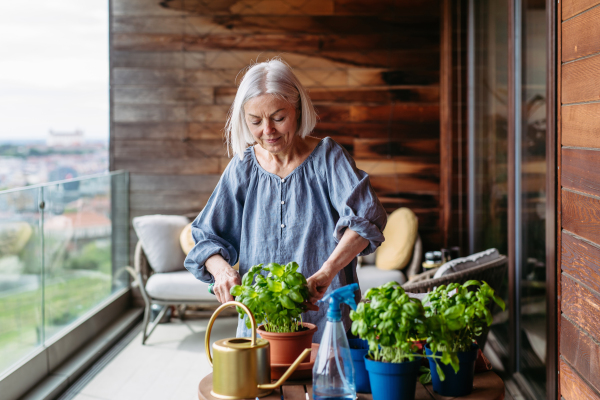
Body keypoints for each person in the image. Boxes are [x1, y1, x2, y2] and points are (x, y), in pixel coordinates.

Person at [184, 59, 387, 342]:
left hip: (326, 317)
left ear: (298, 110)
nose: (268, 130)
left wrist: (327, 272)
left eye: (278, 118)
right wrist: (222, 271)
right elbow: (206, 236)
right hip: (259, 323)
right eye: (255, 121)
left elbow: (366, 219)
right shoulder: (242, 167)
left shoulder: (328, 158)